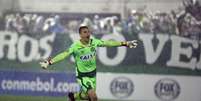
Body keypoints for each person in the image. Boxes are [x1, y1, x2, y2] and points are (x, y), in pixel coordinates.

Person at [39, 25, 138, 101]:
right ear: (80, 35)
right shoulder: (75, 46)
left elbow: (109, 43)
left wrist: (124, 43)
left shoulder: (94, 42)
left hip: (93, 74)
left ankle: (74, 96)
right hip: (82, 75)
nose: (88, 34)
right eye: (85, 32)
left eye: (88, 32)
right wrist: (50, 62)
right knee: (93, 97)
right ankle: (75, 96)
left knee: (87, 96)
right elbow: (64, 54)